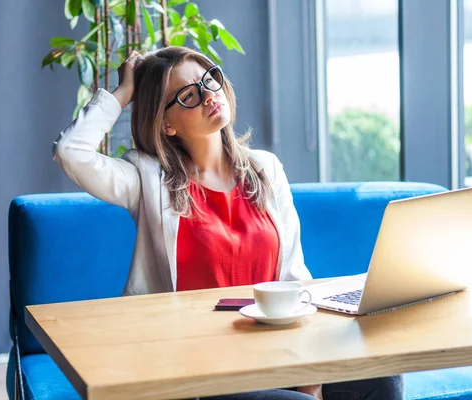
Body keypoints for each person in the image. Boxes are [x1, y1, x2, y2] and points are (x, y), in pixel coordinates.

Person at [53, 46, 403, 400]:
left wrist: (310, 370)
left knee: (382, 379)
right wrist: (123, 92)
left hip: (273, 354)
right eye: (188, 95)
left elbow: (295, 279)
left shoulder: (266, 169)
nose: (208, 95)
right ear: (166, 123)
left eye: (210, 80)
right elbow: (71, 152)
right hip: (195, 369)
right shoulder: (146, 180)